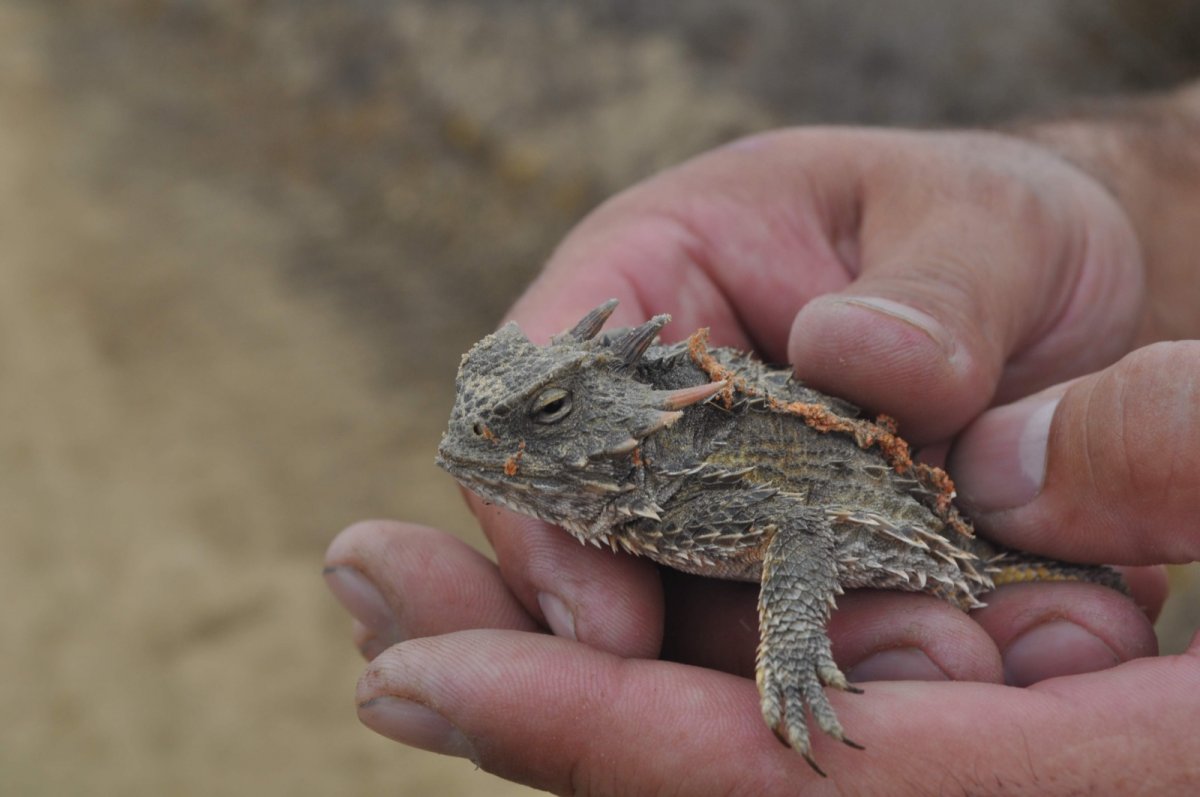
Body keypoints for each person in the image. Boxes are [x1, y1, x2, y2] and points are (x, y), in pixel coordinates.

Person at [325, 80, 1200, 794]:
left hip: (979, 538)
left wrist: (786, 656)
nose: (482, 437)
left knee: (1079, 610)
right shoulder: (639, 488)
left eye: (548, 413)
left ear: (610, 424)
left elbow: (799, 525)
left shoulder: (679, 485)